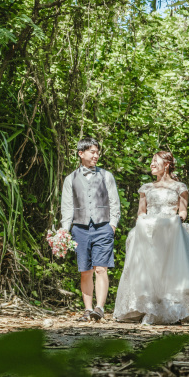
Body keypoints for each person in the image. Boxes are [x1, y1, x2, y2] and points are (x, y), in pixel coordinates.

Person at [113, 152, 189, 325]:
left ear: (167, 164)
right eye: (151, 161)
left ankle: (179, 306)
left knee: (177, 268)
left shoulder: (180, 187)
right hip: (149, 231)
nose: (151, 164)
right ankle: (148, 307)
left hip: (172, 229)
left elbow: (182, 212)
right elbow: (141, 212)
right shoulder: (146, 188)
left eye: (155, 161)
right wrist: (144, 221)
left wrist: (176, 221)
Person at [60, 137, 121, 322]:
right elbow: (67, 207)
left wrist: (113, 225)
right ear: (81, 153)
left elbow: (114, 203)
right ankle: (87, 310)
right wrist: (64, 230)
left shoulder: (106, 176)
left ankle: (99, 308)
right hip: (80, 228)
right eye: (92, 152)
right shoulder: (70, 179)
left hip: (103, 226)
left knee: (101, 268)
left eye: (97, 152)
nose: (96, 155)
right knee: (85, 270)